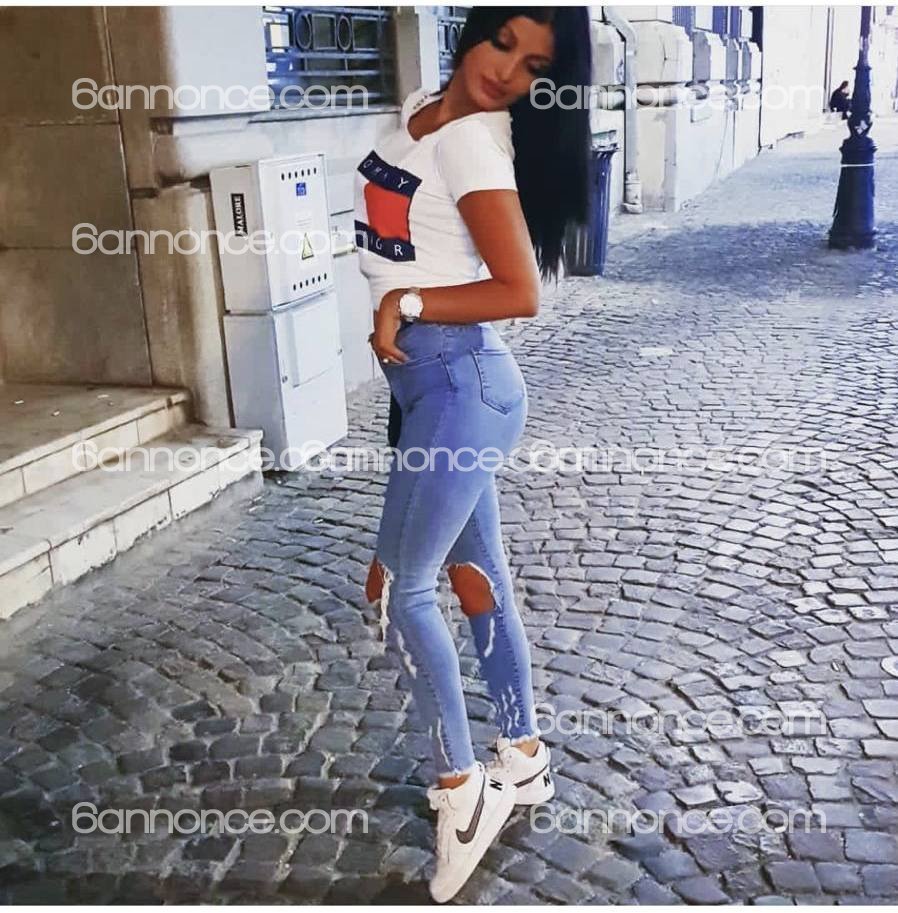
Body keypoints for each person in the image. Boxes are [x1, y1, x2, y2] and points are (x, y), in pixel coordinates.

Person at [352, 7, 592, 902]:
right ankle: (522, 754)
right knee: (475, 574)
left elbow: (519, 291)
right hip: (434, 394)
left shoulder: (473, 144)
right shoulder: (424, 105)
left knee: (401, 587)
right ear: (474, 30)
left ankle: (463, 793)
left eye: (533, 66)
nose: (507, 71)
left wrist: (406, 303)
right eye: (503, 42)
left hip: (462, 386)